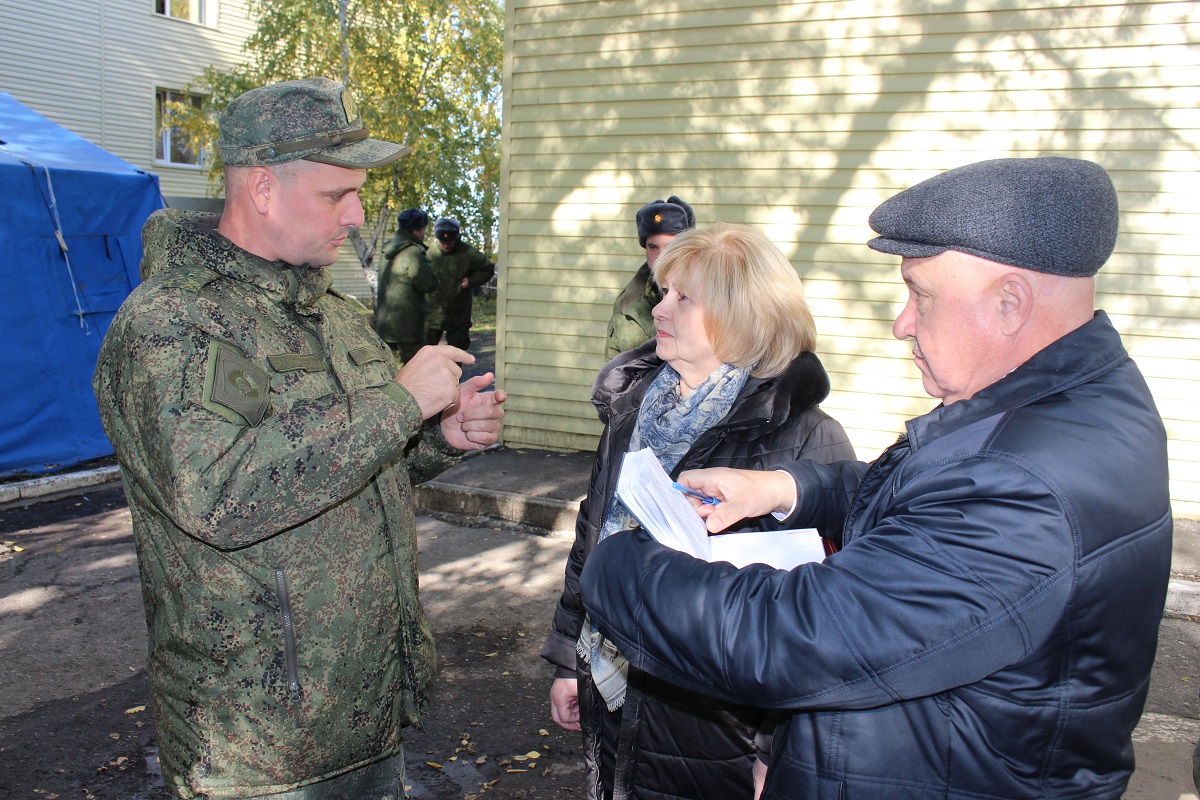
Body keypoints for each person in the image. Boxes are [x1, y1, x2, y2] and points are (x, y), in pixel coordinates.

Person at [579, 157, 1173, 799]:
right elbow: (921, 502)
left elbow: (794, 637)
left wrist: (616, 563)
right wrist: (788, 490)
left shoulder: (1029, 479)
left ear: (1010, 302)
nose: (902, 322)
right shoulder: (1064, 407)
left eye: (920, 294)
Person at [91, 77, 506, 800]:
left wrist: (440, 436)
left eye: (359, 194)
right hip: (257, 746)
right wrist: (398, 404)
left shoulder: (335, 315)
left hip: (366, 714)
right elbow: (218, 495)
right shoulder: (170, 325)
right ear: (259, 188)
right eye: (333, 195)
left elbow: (354, 467)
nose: (355, 215)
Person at [543, 222, 855, 799]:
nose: (661, 307)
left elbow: (821, 620)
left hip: (720, 728)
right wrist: (568, 657)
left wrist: (778, 750)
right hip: (614, 687)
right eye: (664, 291)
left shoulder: (808, 440)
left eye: (684, 297)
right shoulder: (632, 414)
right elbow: (593, 536)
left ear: (742, 315)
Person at [605, 195, 695, 359]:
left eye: (670, 247)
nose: (661, 256)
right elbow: (612, 374)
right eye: (653, 247)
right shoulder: (627, 305)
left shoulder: (709, 298)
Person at [375, 207, 438, 362]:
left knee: (389, 373)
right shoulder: (413, 252)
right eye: (423, 230)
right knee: (417, 373)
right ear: (416, 231)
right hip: (409, 329)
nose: (424, 234)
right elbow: (428, 284)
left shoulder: (387, 249)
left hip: (385, 325)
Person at [425, 217, 495, 350]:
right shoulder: (429, 254)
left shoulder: (468, 253)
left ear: (456, 237)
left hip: (458, 314)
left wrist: (471, 280)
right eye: (442, 241)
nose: (446, 245)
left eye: (450, 241)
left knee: (456, 355)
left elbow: (488, 269)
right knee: (425, 354)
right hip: (431, 314)